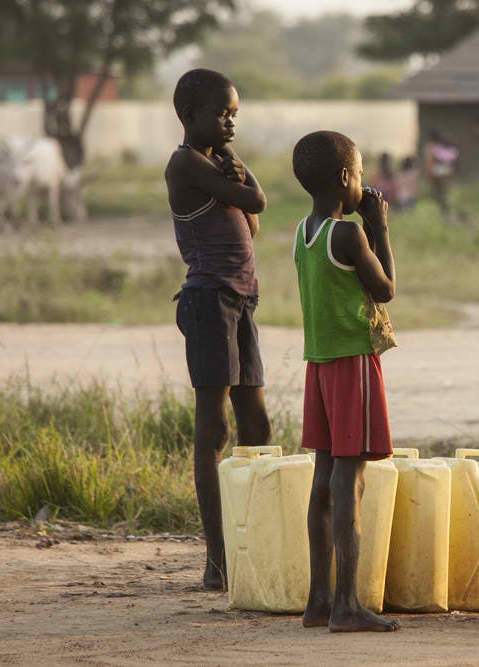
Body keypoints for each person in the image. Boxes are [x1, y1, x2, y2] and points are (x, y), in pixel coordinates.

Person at [165, 68, 272, 590]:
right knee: (215, 430)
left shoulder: (216, 166)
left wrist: (236, 170)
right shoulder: (186, 163)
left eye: (235, 116)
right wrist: (244, 174)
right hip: (209, 300)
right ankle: (219, 557)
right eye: (221, 114)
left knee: (258, 427)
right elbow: (258, 203)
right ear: (190, 116)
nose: (230, 123)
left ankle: (257, 543)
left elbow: (252, 225)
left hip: (240, 300)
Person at [291, 130, 400, 633]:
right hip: (352, 361)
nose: (363, 184)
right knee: (348, 478)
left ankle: (318, 600)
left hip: (318, 363)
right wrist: (380, 227)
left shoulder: (302, 233)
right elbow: (386, 289)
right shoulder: (349, 235)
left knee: (323, 476)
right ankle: (347, 605)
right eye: (358, 175)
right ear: (343, 178)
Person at [423, 129, 458, 221]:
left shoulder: (430, 147)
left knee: (438, 194)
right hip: (448, 171)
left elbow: (429, 162)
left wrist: (429, 174)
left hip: (437, 172)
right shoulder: (445, 146)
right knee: (446, 193)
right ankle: (447, 212)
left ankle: (441, 214)